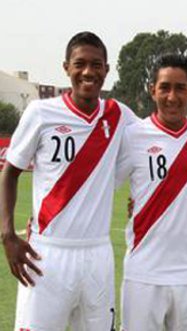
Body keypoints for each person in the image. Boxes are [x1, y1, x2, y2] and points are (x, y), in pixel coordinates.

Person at [0, 31, 137, 330]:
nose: (88, 72)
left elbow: (159, 136)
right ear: (66, 68)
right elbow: (9, 172)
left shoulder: (119, 115)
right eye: (80, 64)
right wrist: (7, 235)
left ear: (106, 70)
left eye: (96, 65)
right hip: (47, 254)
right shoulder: (41, 112)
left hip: (98, 254)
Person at [115, 53, 187, 330]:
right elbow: (99, 185)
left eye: (181, 88)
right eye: (165, 88)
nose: (172, 96)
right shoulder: (132, 137)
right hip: (143, 273)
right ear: (152, 90)